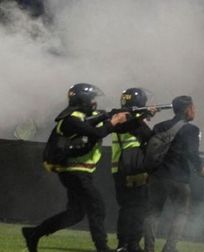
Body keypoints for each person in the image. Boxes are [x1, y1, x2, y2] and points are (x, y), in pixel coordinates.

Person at [21, 83, 128, 252]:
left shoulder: (79, 116)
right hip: (75, 171)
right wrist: (114, 121)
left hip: (77, 171)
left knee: (75, 214)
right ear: (83, 99)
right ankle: (102, 248)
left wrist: (119, 115)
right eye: (92, 99)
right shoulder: (71, 119)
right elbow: (98, 133)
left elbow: (97, 120)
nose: (94, 102)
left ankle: (34, 233)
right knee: (97, 206)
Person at [144, 95, 204, 252]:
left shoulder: (159, 127)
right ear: (188, 109)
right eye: (193, 107)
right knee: (181, 213)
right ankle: (170, 248)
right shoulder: (191, 130)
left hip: (157, 176)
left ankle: (148, 248)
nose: (195, 111)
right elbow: (192, 153)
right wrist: (200, 169)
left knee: (153, 213)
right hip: (178, 178)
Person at [111, 88, 157, 252]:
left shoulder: (121, 117)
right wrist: (145, 116)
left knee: (126, 208)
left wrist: (143, 116)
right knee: (139, 207)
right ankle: (132, 244)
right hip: (133, 168)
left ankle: (122, 244)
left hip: (119, 168)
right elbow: (149, 136)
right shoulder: (129, 118)